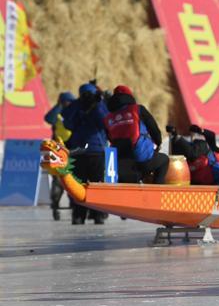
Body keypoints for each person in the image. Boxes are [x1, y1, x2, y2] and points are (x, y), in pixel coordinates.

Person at [61, 83, 109, 224]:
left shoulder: (78, 107)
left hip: (81, 151)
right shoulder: (91, 106)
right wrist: (97, 101)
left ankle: (79, 215)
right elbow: (105, 122)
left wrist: (81, 103)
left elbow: (67, 122)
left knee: (79, 185)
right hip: (95, 152)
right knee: (96, 184)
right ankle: (97, 214)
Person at [104, 85, 169, 184]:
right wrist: (158, 142)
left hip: (118, 163)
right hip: (140, 157)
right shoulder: (138, 109)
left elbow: (109, 138)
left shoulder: (108, 118)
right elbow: (153, 128)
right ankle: (157, 192)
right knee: (164, 160)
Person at [44, 91, 75, 220]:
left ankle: (75, 206)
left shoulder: (75, 112)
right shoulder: (57, 113)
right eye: (68, 102)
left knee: (73, 179)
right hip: (58, 150)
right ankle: (55, 205)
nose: (70, 104)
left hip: (72, 148)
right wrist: (58, 106)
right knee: (58, 181)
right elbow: (48, 119)